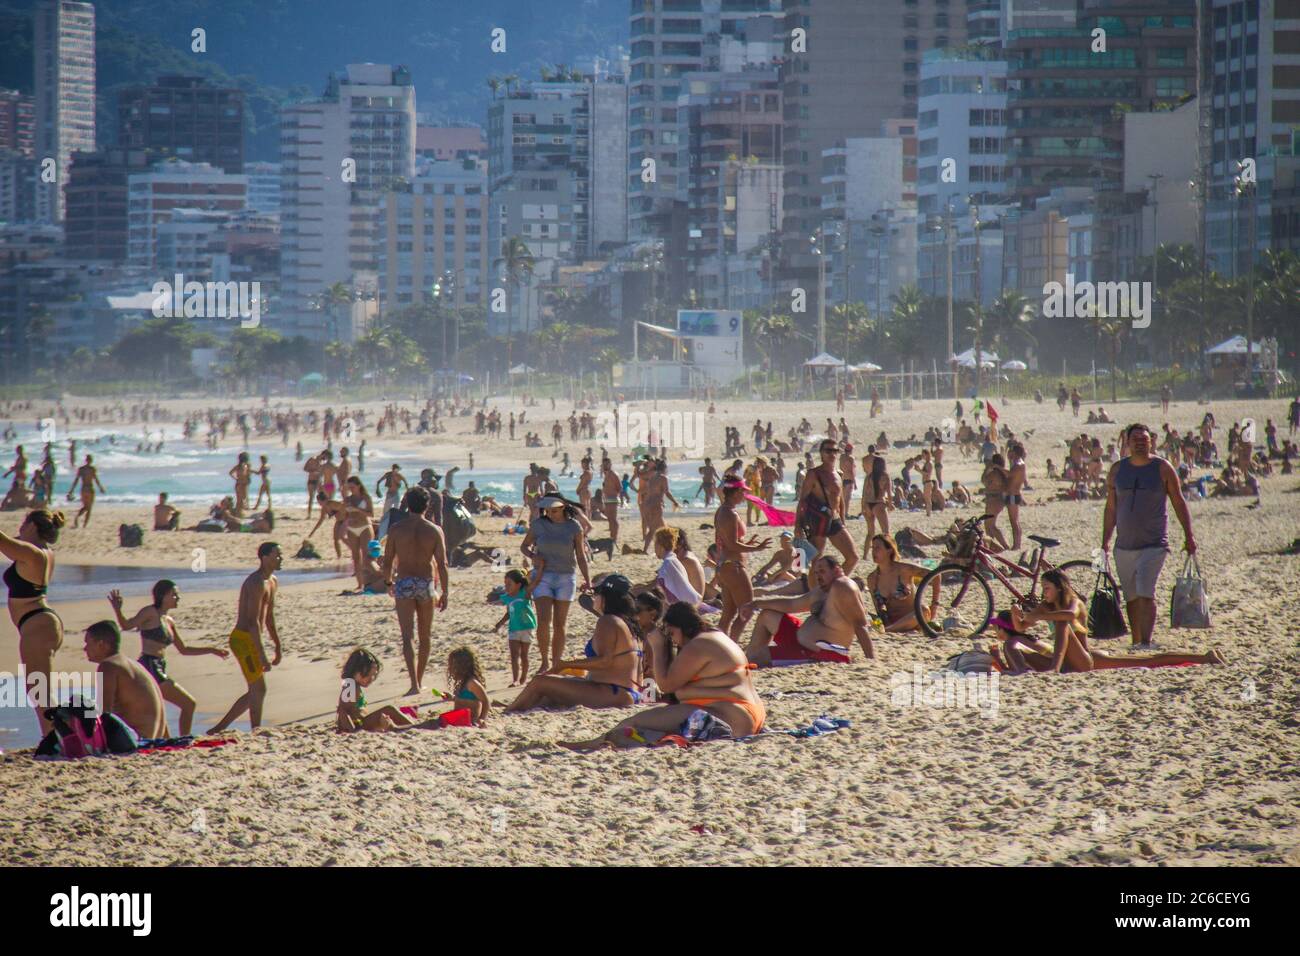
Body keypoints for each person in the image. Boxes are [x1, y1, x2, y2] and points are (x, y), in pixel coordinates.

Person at [560, 601, 765, 750]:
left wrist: (658, 648)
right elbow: (684, 691)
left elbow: (666, 685)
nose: (675, 642)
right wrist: (685, 692)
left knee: (635, 721)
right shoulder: (716, 636)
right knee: (653, 724)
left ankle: (591, 744)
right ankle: (600, 742)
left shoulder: (699, 645)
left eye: (673, 634)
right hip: (748, 716)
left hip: (731, 719)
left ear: (679, 627)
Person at [994, 569, 1224, 673]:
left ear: (1059, 588)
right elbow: (1021, 627)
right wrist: (1017, 613)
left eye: (1047, 588)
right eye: (1043, 588)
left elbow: (1069, 618)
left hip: (1084, 659)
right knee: (1146, 661)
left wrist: (1040, 615)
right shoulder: (1047, 606)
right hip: (1067, 661)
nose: (1044, 593)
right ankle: (1204, 658)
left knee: (1150, 659)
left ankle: (1205, 657)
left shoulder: (1074, 602)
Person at [1102, 423, 1195, 647]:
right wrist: (1104, 541)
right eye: (1136, 440)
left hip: (1154, 543)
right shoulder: (1117, 470)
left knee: (1146, 591)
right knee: (1131, 597)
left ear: (1151, 441)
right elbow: (1111, 508)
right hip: (1124, 545)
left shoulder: (1162, 468)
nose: (1140, 443)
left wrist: (1189, 535)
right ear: (1128, 442)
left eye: (1144, 440)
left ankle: (1147, 639)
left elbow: (1178, 502)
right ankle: (1137, 641)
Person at [107, 580, 229, 736]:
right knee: (188, 704)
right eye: (174, 594)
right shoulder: (150, 612)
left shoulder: (169, 621)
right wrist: (118, 610)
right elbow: (127, 625)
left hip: (160, 666)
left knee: (160, 708)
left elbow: (183, 649)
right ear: (163, 596)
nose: (178, 598)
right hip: (149, 666)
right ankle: (184, 739)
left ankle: (170, 740)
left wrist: (212, 650)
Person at [505, 575, 644, 712]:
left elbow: (604, 662)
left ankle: (508, 711)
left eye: (596, 593)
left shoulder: (608, 621)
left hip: (613, 693)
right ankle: (514, 707)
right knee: (549, 692)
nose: (594, 597)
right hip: (628, 692)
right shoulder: (630, 624)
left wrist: (566, 664)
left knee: (539, 682)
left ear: (606, 597)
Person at [743, 555, 877, 665]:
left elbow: (860, 624)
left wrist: (871, 660)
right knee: (767, 615)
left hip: (820, 653)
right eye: (817, 573)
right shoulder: (823, 590)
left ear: (837, 570)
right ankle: (750, 655)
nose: (818, 577)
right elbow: (792, 604)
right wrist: (756, 604)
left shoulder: (843, 587)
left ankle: (752, 658)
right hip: (800, 641)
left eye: (822, 572)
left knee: (759, 656)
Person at [207, 542, 283, 734]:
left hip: (253, 639)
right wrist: (262, 654)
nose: (280, 559)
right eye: (277, 555)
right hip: (242, 639)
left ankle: (219, 728)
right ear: (264, 558)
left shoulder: (273, 580)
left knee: (256, 690)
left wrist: (277, 644)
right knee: (259, 688)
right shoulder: (255, 582)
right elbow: (251, 622)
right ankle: (255, 730)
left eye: (281, 555)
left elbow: (269, 617)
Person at [2, 509, 65, 734]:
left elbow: (4, 541)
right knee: (40, 687)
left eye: (23, 522)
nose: (20, 526)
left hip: (37, 624)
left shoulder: (32, 553)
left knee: (38, 688)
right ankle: (56, 736)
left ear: (32, 526)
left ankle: (54, 738)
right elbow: (11, 542)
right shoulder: (43, 551)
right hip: (42, 622)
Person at [382, 487, 449, 695]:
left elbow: (388, 559)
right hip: (425, 582)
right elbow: (442, 564)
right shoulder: (434, 530)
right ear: (427, 505)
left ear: (407, 504)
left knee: (407, 635)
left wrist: (388, 582)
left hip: (404, 581)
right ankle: (420, 678)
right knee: (425, 635)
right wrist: (445, 592)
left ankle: (414, 684)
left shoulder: (396, 529)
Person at [520, 495, 591, 672]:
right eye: (547, 510)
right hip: (542, 576)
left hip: (566, 577)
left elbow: (581, 556)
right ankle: (544, 661)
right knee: (544, 621)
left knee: (560, 624)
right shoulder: (538, 524)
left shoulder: (574, 526)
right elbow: (524, 546)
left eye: (554, 510)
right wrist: (533, 556)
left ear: (563, 508)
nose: (550, 514)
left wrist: (588, 580)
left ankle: (556, 662)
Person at [82, 620, 165, 740]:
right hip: (154, 737)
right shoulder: (133, 664)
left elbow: (104, 712)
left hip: (136, 740)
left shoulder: (108, 666)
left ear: (101, 645)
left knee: (76, 714)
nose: (85, 649)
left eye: (87, 643)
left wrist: (76, 716)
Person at [713, 478, 771, 640]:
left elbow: (725, 541)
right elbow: (731, 544)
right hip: (733, 567)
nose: (745, 494)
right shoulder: (729, 513)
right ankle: (732, 645)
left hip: (726, 566)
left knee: (729, 614)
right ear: (735, 492)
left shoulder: (724, 510)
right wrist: (756, 548)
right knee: (747, 610)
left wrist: (746, 544)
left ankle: (722, 647)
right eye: (743, 491)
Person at [796, 438, 859, 574]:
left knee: (853, 557)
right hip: (818, 519)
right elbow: (802, 501)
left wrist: (843, 520)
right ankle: (815, 593)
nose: (832, 454)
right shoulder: (813, 474)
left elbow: (840, 499)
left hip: (834, 520)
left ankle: (834, 584)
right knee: (815, 561)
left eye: (835, 451)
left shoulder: (838, 474)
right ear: (821, 453)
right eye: (828, 451)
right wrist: (797, 527)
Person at [336, 648, 434, 733]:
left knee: (392, 711)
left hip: (361, 723)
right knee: (389, 709)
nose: (371, 679)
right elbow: (343, 710)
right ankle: (414, 727)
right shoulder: (350, 686)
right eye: (368, 675)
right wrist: (352, 730)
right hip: (358, 725)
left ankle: (409, 726)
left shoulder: (353, 684)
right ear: (355, 671)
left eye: (374, 675)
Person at [863, 534, 939, 633]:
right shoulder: (872, 578)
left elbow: (936, 575)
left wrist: (934, 605)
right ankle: (888, 628)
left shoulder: (905, 570)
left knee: (924, 609)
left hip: (914, 620)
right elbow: (879, 609)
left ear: (889, 550)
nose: (874, 551)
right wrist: (881, 621)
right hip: (891, 621)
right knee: (862, 612)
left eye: (878, 548)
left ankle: (888, 630)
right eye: (872, 548)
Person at [494, 568, 537, 686]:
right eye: (505, 584)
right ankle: (515, 680)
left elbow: (535, 582)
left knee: (524, 655)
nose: (506, 586)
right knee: (514, 655)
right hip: (513, 629)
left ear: (518, 585)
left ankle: (523, 678)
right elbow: (508, 613)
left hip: (527, 627)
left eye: (509, 584)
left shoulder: (525, 593)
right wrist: (500, 623)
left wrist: (541, 568)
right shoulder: (507, 597)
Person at [441, 647, 490, 726]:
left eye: (453, 666)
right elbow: (466, 701)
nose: (450, 669)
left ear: (462, 667)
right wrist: (452, 698)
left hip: (469, 719)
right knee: (442, 719)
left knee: (442, 720)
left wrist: (481, 719)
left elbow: (486, 701)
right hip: (460, 716)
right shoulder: (463, 682)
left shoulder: (472, 683)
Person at [66, 454, 105, 527]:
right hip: (90, 489)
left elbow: (76, 480)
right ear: (91, 460)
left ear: (86, 460)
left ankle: (77, 517)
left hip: (83, 490)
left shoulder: (81, 469)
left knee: (85, 506)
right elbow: (96, 480)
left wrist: (71, 490)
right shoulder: (92, 469)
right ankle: (84, 525)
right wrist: (101, 488)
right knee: (89, 508)